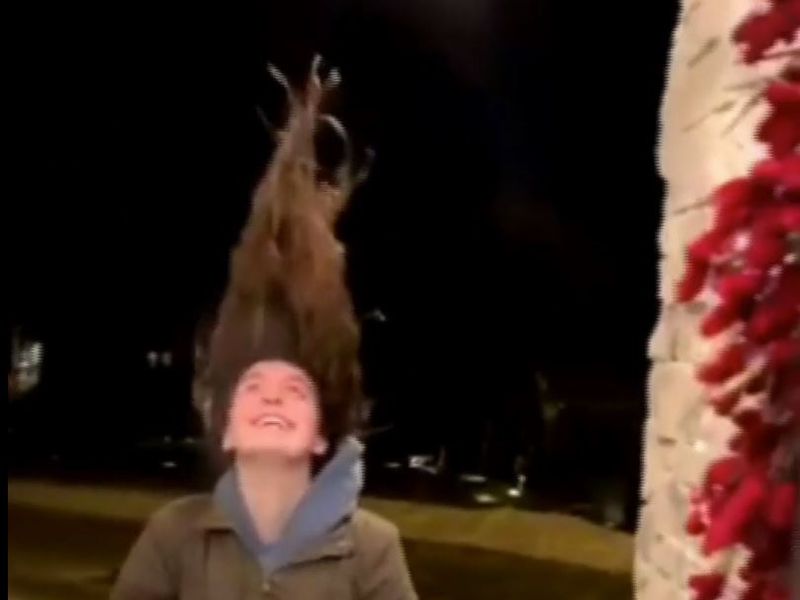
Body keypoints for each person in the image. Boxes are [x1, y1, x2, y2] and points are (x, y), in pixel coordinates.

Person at [112, 59, 417, 600]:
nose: (272, 396)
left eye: (295, 389)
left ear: (321, 433)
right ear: (226, 427)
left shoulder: (373, 550)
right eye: (253, 386)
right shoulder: (173, 538)